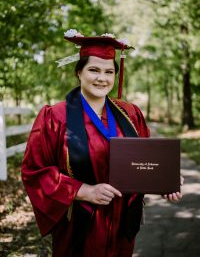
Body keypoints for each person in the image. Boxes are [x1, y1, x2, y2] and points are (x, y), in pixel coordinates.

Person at [21, 30, 183, 257]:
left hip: (122, 225)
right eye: (94, 70)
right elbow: (34, 171)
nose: (102, 78)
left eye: (109, 72)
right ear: (79, 72)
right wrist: (82, 190)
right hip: (80, 226)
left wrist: (166, 178)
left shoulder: (130, 114)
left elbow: (146, 159)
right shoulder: (56, 117)